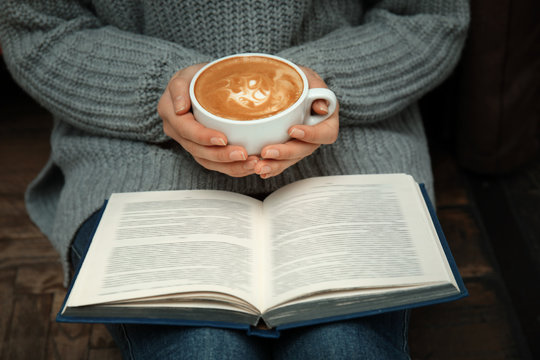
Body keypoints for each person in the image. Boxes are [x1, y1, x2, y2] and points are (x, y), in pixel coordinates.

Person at [0, 0, 469, 358]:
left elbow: (429, 18)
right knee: (203, 347)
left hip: (352, 139)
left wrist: (320, 89)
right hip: (135, 153)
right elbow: (37, 27)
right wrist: (162, 88)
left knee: (342, 343)